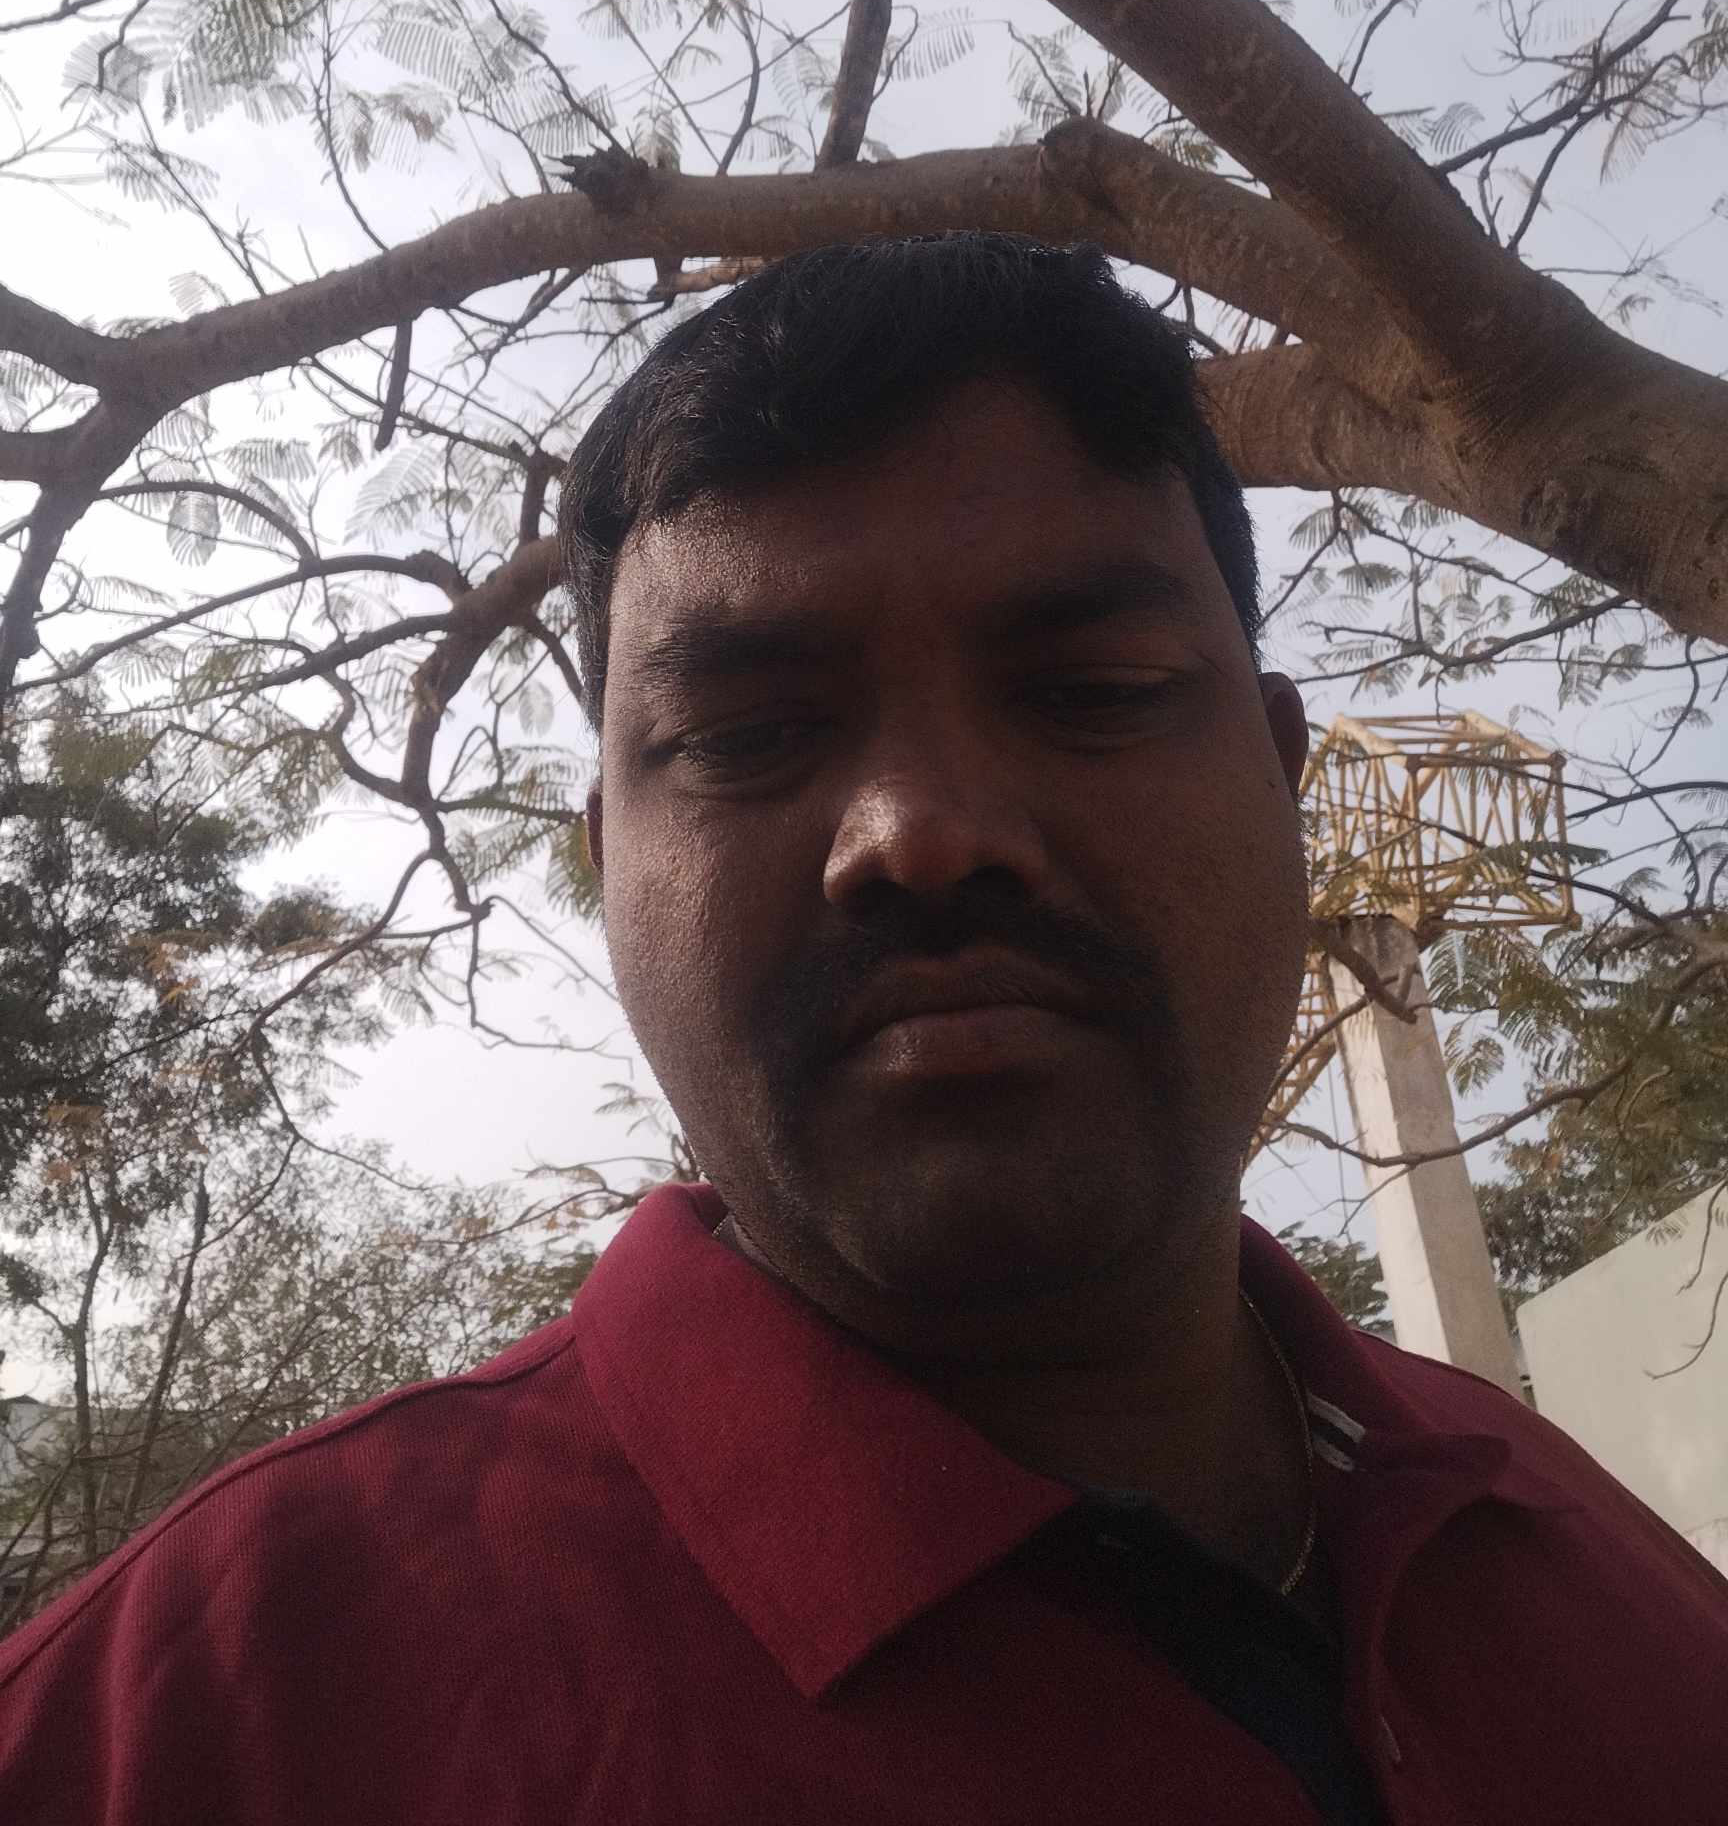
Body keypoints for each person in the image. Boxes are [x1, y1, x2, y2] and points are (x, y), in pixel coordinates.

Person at [1, 235, 1724, 1826]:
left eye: (1096, 692)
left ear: (1284, 783)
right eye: (747, 735)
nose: (922, 829)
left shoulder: (1614, 1582)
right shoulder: (183, 1731)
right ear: (607, 868)